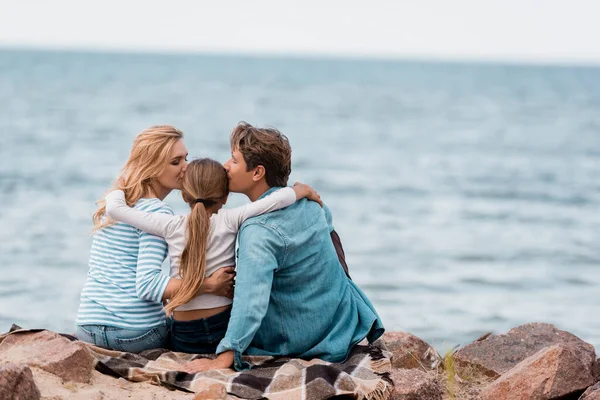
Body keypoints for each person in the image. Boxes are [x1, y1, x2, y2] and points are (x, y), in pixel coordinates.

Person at [183, 122, 385, 372]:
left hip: (301, 339)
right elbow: (334, 242)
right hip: (341, 322)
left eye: (234, 161)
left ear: (257, 172)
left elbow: (251, 300)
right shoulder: (312, 204)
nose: (225, 166)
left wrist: (225, 356)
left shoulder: (257, 231)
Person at [104, 157, 322, 354]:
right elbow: (278, 199)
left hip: (184, 336)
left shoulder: (169, 225)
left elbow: (115, 209)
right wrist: (303, 191)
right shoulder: (230, 219)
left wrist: (125, 181)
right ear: (225, 196)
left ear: (184, 194)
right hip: (221, 330)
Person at [75, 125, 232, 353]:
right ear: (152, 165)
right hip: (134, 335)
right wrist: (209, 285)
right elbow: (148, 285)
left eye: (185, 159)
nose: (186, 168)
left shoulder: (118, 201)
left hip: (87, 328)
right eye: (175, 162)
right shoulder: (156, 213)